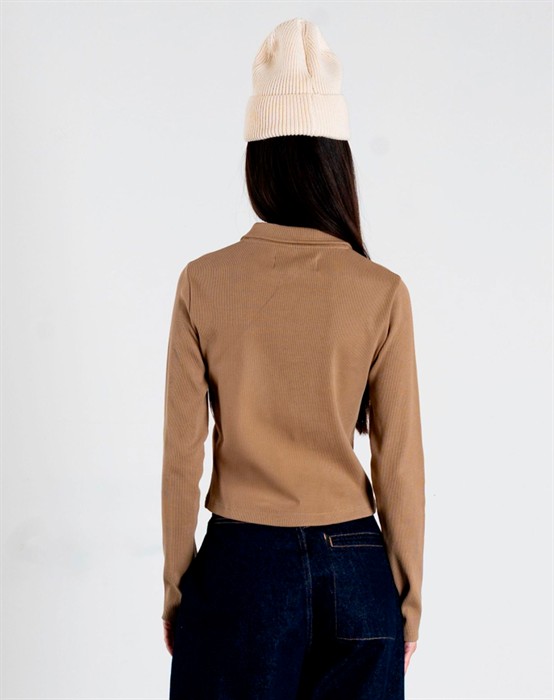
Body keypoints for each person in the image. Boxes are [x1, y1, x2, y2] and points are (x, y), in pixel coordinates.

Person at [161, 17, 425, 700]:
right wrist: (407, 600)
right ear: (338, 167)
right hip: (358, 574)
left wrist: (177, 587)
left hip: (239, 570)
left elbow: (182, 458)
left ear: (258, 163)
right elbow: (398, 463)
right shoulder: (381, 291)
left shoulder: (203, 282)